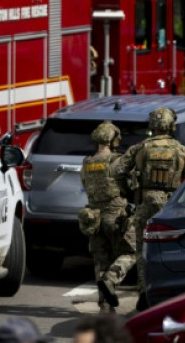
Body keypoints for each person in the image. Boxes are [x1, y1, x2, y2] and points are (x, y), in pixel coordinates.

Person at [116, 107, 185, 311]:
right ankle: (176, 290)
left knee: (143, 251)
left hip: (145, 205)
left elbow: (117, 171)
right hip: (172, 209)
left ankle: (144, 294)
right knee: (176, 249)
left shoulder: (139, 148)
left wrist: (127, 192)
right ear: (172, 126)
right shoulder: (181, 150)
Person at [78, 121, 137, 313]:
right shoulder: (117, 161)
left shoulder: (86, 163)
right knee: (131, 252)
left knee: (101, 260)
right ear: (113, 140)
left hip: (93, 218)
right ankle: (111, 279)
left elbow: (86, 187)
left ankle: (104, 305)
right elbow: (130, 187)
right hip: (115, 216)